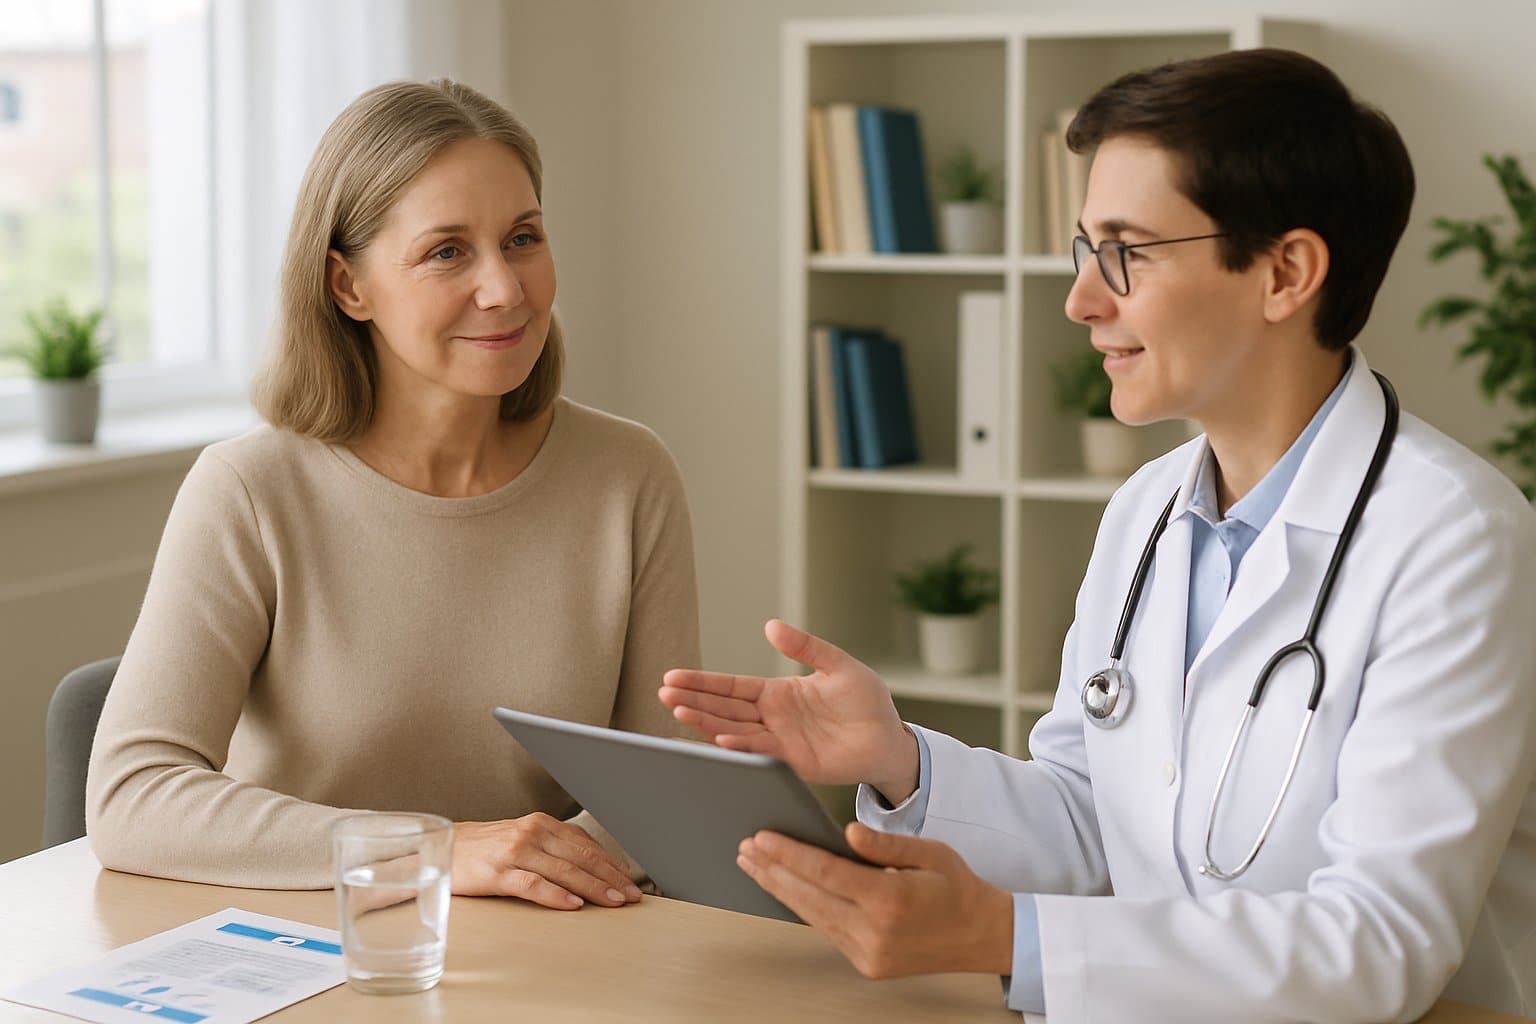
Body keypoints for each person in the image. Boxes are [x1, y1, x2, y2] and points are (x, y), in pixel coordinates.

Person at [660, 48, 1536, 1022]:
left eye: (1127, 251)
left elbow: (1379, 942)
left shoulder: (1457, 539)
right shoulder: (1148, 512)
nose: (1081, 299)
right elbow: (1096, 824)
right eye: (1085, 249)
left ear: (1286, 271)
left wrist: (1004, 935)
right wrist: (897, 757)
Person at [86, 79, 700, 913]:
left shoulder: (629, 474)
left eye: (523, 238)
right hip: (306, 950)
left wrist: (528, 869)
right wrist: (437, 853)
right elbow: (132, 798)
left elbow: (661, 792)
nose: (505, 289)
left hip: (550, 949)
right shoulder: (250, 491)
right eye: (448, 251)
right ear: (348, 287)